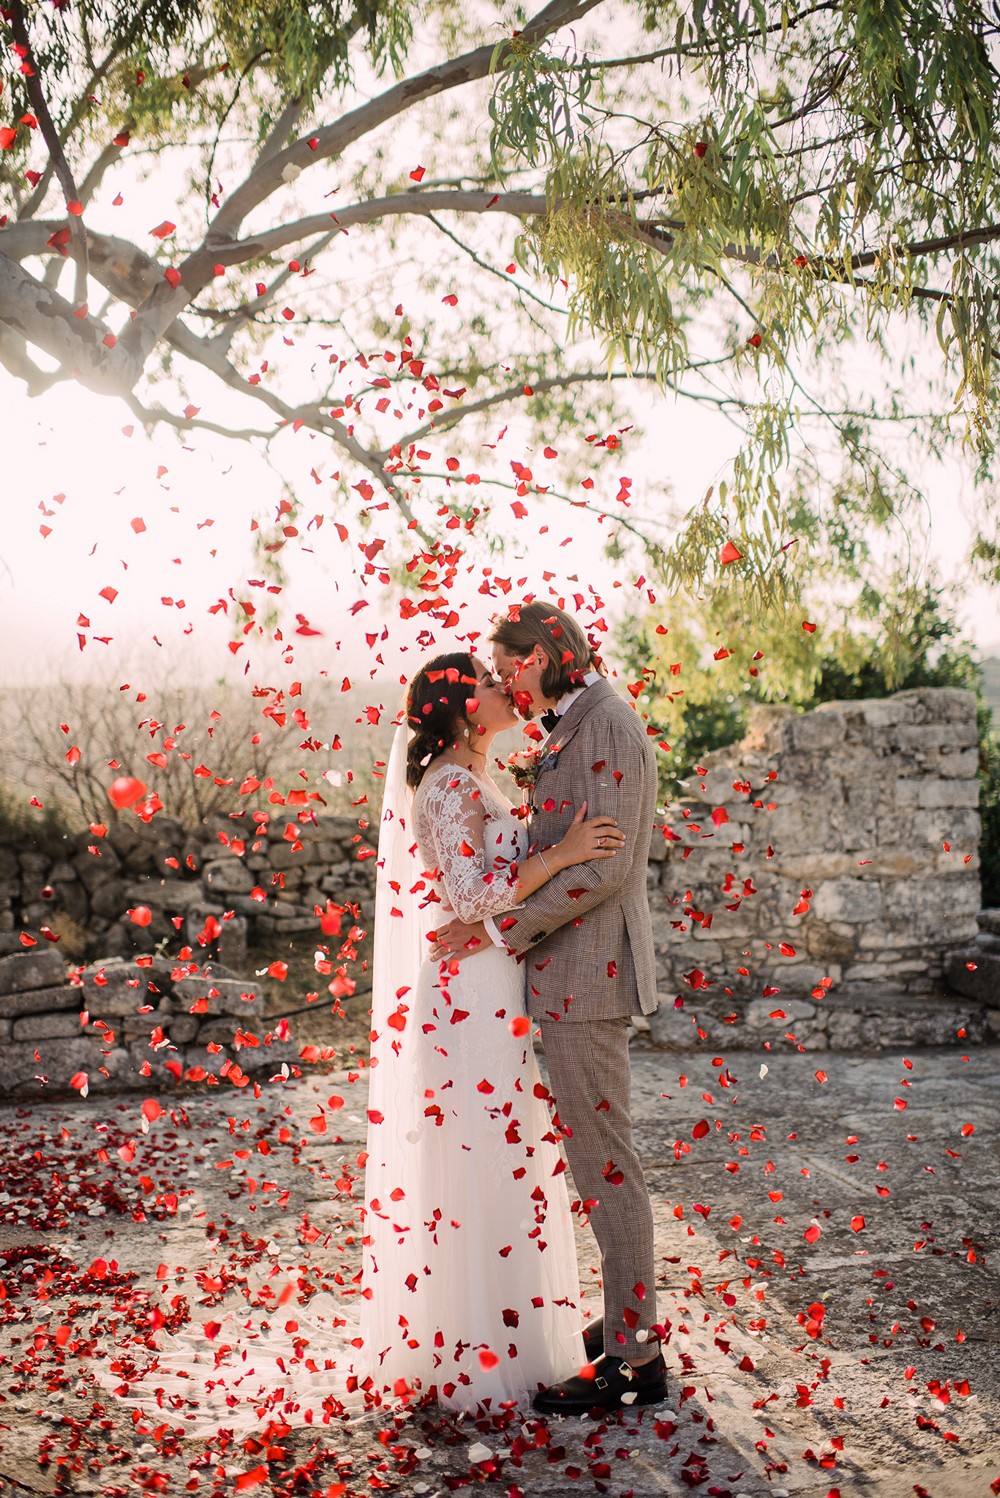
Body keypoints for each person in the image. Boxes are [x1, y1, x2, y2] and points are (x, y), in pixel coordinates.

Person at [360, 650, 630, 1414]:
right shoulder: (448, 783)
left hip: (491, 986)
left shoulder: (480, 777)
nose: (501, 688)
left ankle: (512, 1334)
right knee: (480, 1155)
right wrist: (567, 853)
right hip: (466, 999)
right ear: (456, 707)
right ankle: (481, 1352)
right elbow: (475, 892)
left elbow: (484, 896)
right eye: (484, 683)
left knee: (502, 1152)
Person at [429, 604, 668, 1414]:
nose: (504, 685)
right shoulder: (576, 725)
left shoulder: (604, 727)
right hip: (564, 976)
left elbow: (602, 869)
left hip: (587, 978)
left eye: (509, 668)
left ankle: (635, 1361)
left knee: (606, 1167)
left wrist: (498, 927)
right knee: (597, 1163)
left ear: (542, 657)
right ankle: (627, 1316)